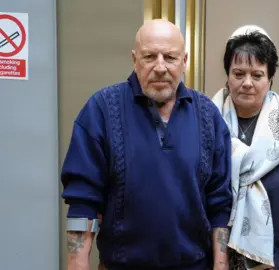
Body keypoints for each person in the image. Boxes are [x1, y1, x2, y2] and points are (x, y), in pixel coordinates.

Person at [61, 19, 232, 270]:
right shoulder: (101, 110)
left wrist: (220, 266)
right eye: (149, 56)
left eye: (170, 57)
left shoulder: (208, 116)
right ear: (135, 60)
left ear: (185, 61)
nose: (160, 67)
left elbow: (220, 205)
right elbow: (83, 205)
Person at [211, 25, 279, 270]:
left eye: (257, 75)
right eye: (238, 73)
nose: (247, 83)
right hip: (213, 259)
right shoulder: (207, 122)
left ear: (270, 79)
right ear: (227, 76)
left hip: (278, 260)